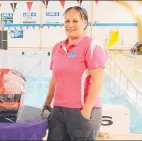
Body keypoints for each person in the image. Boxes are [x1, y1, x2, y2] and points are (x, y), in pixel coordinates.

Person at [41, 6, 106, 140]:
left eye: (75, 21)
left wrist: (87, 109)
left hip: (81, 110)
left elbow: (98, 79)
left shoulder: (92, 46)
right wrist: (48, 101)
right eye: (67, 21)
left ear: (85, 23)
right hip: (58, 110)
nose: (70, 25)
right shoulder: (57, 47)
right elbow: (55, 78)